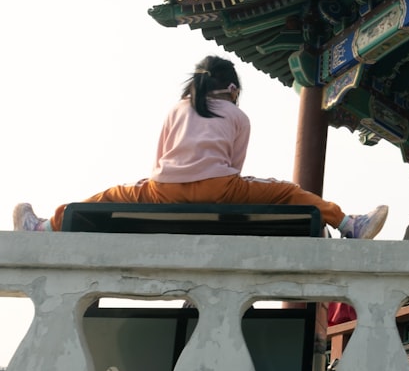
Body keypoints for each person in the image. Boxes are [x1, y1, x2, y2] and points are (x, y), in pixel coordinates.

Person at [12, 56, 387, 239]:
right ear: (233, 90)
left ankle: (45, 226)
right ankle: (347, 223)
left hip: (164, 190)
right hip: (220, 189)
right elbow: (234, 167)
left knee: (109, 194)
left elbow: (160, 158)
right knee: (287, 191)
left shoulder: (177, 107)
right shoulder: (238, 117)